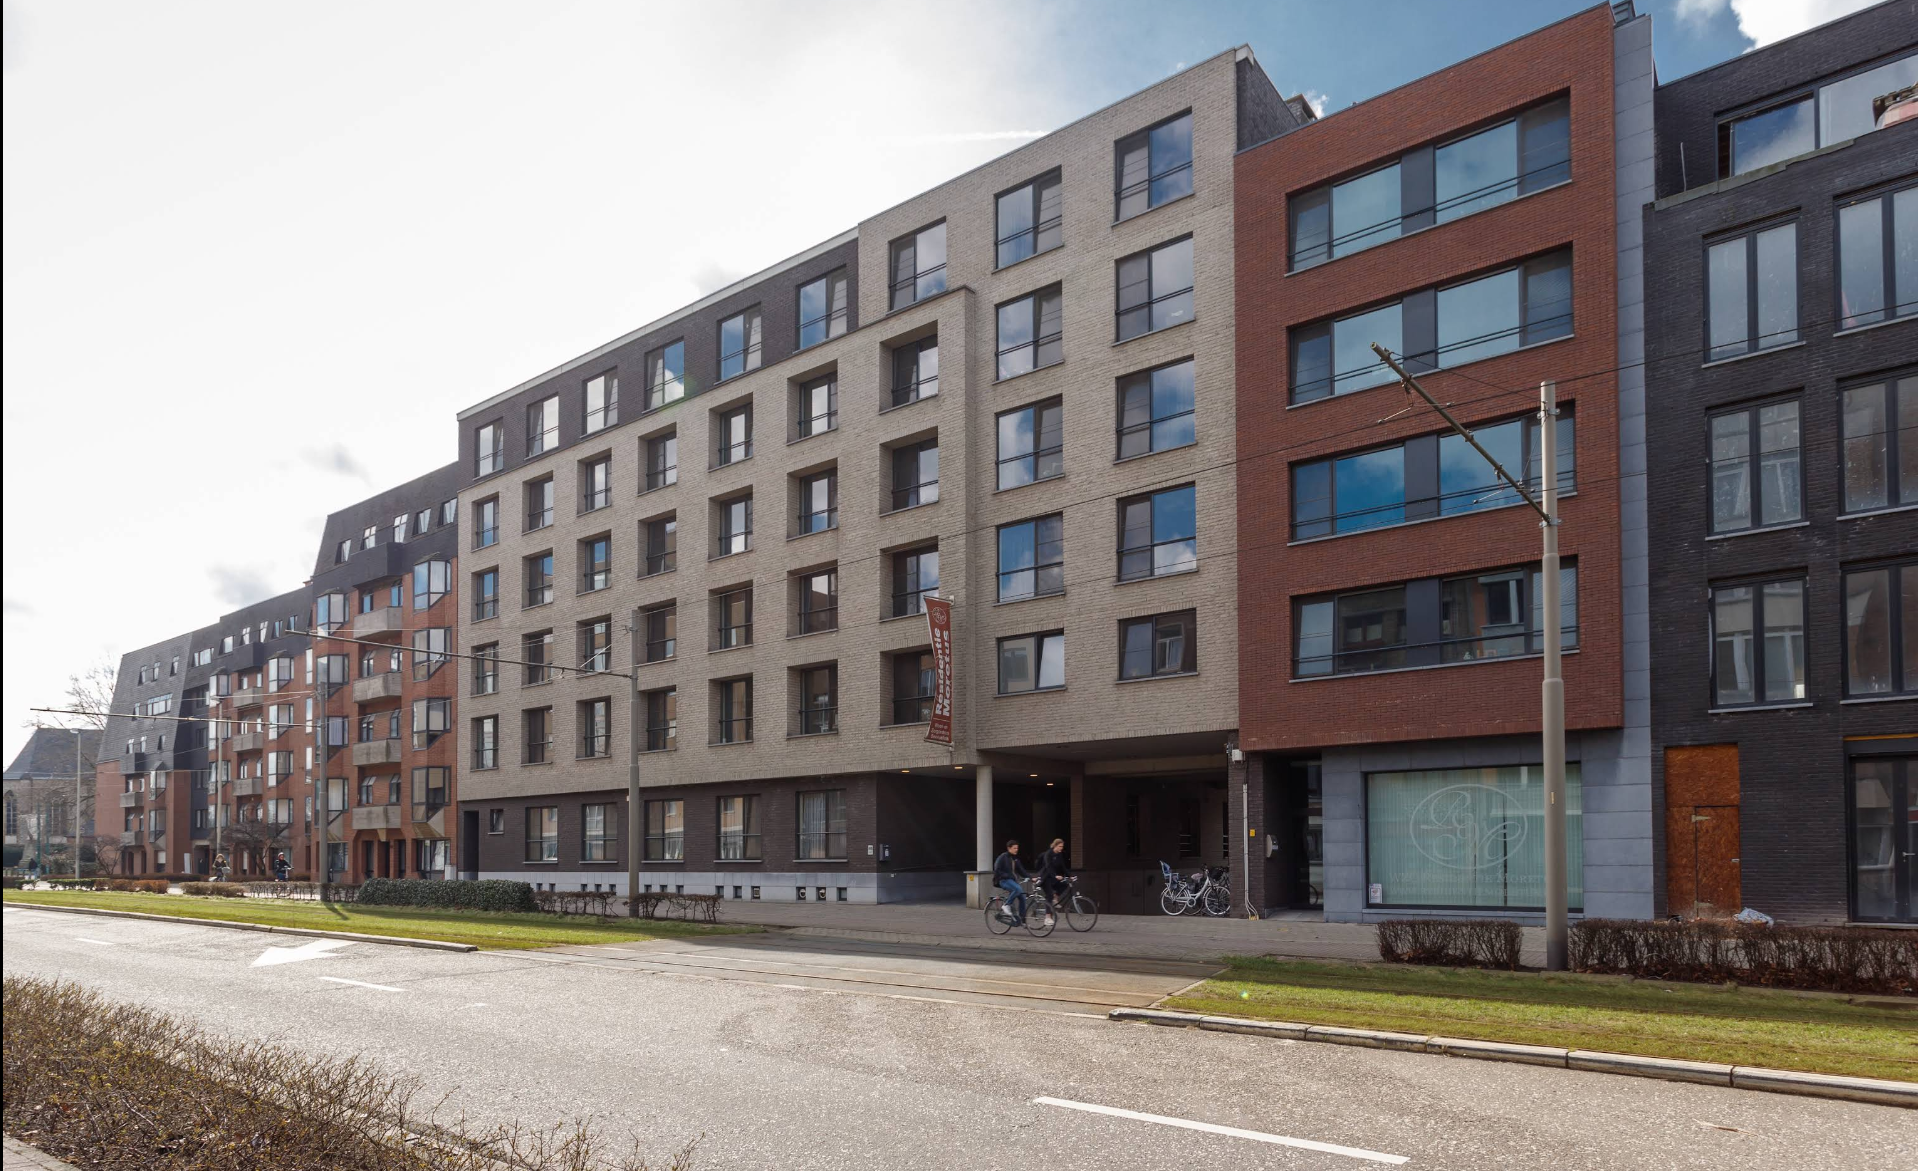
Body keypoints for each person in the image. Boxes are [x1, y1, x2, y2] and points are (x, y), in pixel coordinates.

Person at [1036, 838, 1073, 926]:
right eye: (1060, 846)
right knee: (1049, 895)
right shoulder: (1048, 854)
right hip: (1045, 878)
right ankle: (1047, 918)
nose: (1061, 848)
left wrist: (1070, 876)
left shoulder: (1059, 855)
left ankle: (1055, 898)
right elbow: (1048, 867)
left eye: (1062, 846)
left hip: (1053, 878)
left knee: (1065, 884)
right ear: (1055, 846)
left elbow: (1063, 867)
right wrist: (1055, 876)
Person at [992, 839, 1030, 925]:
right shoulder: (1003, 857)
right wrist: (1007, 876)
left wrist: (1031, 878)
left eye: (1017, 848)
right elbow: (997, 870)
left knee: (1022, 897)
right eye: (1014, 848)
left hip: (1012, 881)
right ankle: (1006, 905)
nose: (1016, 850)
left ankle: (1021, 920)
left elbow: (1022, 870)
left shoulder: (1015, 859)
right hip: (1003, 880)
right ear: (1009, 848)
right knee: (1017, 889)